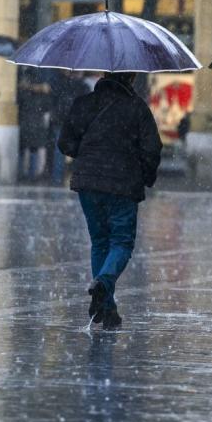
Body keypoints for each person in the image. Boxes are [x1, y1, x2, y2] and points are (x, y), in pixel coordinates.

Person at [57, 72, 162, 329]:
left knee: (100, 242)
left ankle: (107, 308)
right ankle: (103, 284)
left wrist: (87, 153)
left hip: (89, 183)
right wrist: (146, 176)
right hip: (122, 185)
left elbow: (65, 143)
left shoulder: (85, 103)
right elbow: (152, 149)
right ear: (132, 77)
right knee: (122, 243)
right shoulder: (137, 108)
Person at [49, 71, 90, 185]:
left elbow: (54, 100)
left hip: (61, 120)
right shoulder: (83, 86)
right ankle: (78, 178)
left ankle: (57, 179)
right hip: (76, 122)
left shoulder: (61, 83)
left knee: (59, 151)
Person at [17, 66, 52, 182]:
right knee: (33, 149)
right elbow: (47, 105)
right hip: (36, 121)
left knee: (24, 149)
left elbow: (19, 101)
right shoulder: (42, 88)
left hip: (26, 120)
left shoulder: (24, 86)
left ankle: (22, 174)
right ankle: (31, 175)